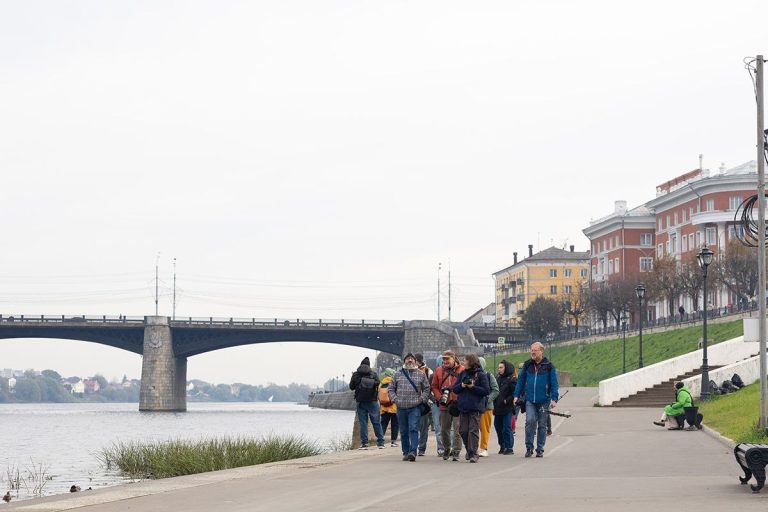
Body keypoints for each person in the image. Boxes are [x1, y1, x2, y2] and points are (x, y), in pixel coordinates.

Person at [514, 341, 559, 458]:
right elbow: (521, 381)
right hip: (529, 400)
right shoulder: (527, 365)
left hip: (544, 400)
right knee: (530, 421)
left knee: (542, 425)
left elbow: (554, 383)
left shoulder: (549, 366)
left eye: (535, 350)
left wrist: (554, 398)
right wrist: (516, 395)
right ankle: (529, 447)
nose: (532, 352)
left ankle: (540, 448)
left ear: (541, 351)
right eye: (531, 350)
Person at [389, 353, 431, 461]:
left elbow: (427, 389)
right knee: (403, 431)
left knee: (413, 428)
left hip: (415, 407)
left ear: (415, 361)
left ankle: (413, 452)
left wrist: (422, 399)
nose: (410, 360)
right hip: (401, 407)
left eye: (412, 359)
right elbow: (391, 389)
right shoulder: (397, 374)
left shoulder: (421, 374)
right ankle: (405, 452)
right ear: (404, 361)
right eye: (408, 359)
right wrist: (395, 399)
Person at [452, 353, 490, 463]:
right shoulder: (462, 373)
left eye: (465, 360)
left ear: (471, 362)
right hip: (463, 407)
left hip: (475, 407)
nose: (463, 362)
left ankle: (473, 453)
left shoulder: (481, 375)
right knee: (463, 431)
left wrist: (473, 387)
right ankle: (470, 450)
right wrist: (462, 386)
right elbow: (455, 389)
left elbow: (486, 391)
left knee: (473, 431)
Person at [432, 350, 465, 461]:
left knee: (457, 429)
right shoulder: (438, 371)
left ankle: (456, 451)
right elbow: (434, 386)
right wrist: (439, 397)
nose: (445, 361)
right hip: (444, 404)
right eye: (443, 359)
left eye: (447, 359)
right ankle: (447, 448)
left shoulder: (462, 370)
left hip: (458, 403)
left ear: (453, 358)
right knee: (444, 430)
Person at [349, 357, 385, 450]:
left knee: (363, 423)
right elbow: (378, 383)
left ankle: (364, 443)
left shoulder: (356, 374)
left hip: (360, 401)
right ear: (369, 365)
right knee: (376, 422)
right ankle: (380, 442)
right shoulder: (373, 374)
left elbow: (351, 387)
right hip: (372, 401)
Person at [415, 353, 440, 456]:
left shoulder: (428, 371)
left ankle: (421, 448)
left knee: (423, 427)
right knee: (412, 427)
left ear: (418, 361)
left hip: (423, 402)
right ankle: (413, 447)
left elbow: (431, 387)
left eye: (414, 360)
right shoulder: (407, 371)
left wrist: (430, 400)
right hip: (411, 402)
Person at [477, 357, 499, 457]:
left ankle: (483, 448)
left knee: (484, 428)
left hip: (486, 407)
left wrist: (487, 400)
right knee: (473, 428)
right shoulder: (473, 375)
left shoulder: (489, 375)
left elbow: (495, 390)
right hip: (474, 406)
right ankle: (475, 447)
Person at [494, 360, 516, 455]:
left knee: (507, 427)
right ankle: (502, 445)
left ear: (506, 368)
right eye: (499, 367)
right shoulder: (497, 378)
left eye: (501, 367)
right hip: (497, 407)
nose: (499, 369)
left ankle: (509, 447)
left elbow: (515, 393)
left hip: (507, 407)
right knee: (498, 427)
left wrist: (507, 400)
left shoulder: (512, 379)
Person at [379, 368, 399, 446]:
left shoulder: (381, 383)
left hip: (384, 407)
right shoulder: (394, 382)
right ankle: (393, 441)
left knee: (383, 424)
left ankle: (380, 441)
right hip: (393, 407)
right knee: (395, 424)